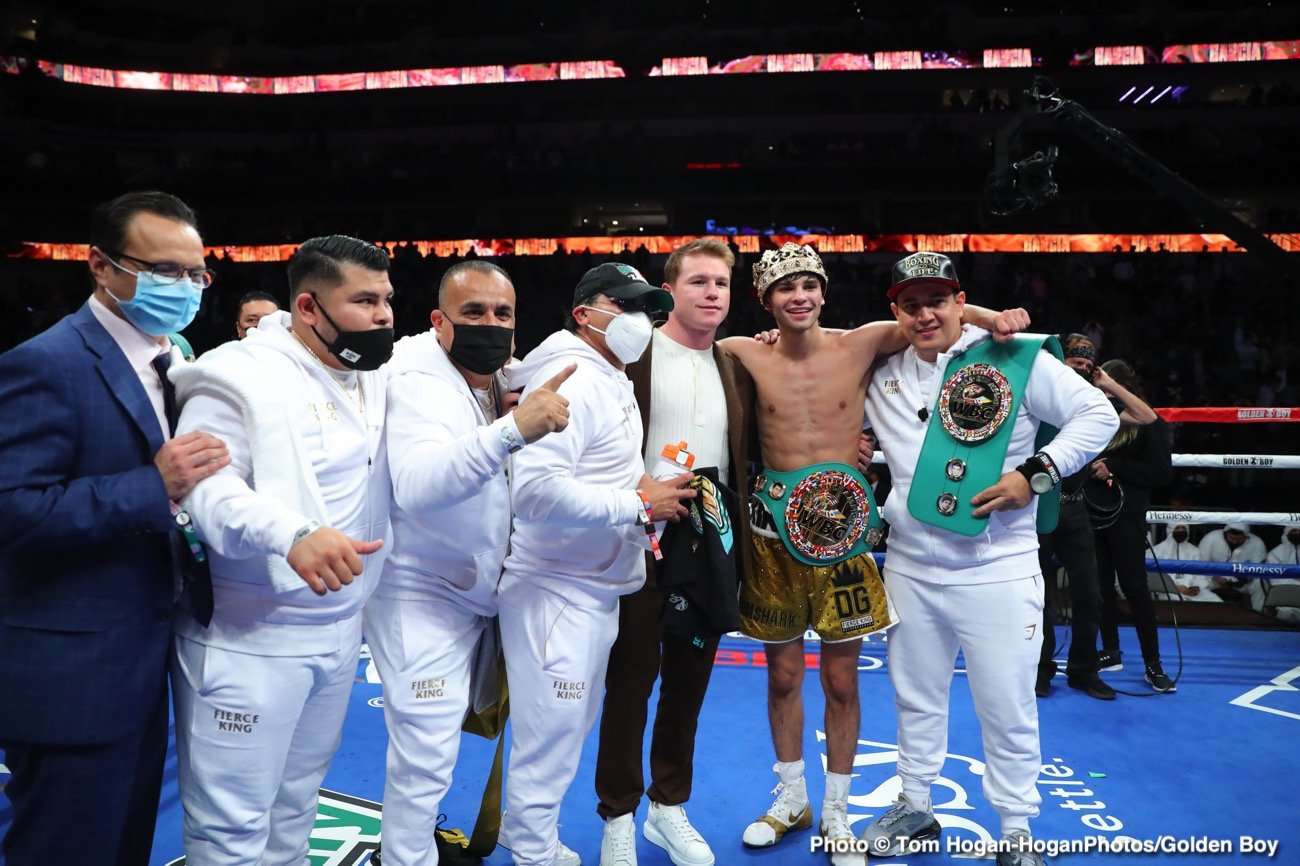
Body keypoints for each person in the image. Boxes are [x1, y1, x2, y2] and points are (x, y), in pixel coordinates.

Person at [719, 244, 1027, 865]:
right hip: (773, 532)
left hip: (843, 532)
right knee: (781, 675)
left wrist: (998, 321)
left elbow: (939, 316)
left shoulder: (860, 343)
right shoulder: (741, 351)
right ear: (766, 301)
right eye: (785, 289)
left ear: (824, 293)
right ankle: (790, 799)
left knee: (839, 679)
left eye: (809, 285)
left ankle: (836, 814)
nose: (799, 296)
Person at [859, 252, 1117, 866]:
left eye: (938, 300)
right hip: (910, 565)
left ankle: (1016, 829)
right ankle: (916, 804)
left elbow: (1098, 413)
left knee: (1006, 701)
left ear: (960, 301)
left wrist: (1038, 473)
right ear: (894, 310)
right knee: (914, 695)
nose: (926, 314)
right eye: (911, 303)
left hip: (997, 566)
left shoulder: (1015, 355)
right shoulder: (879, 371)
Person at [0, 190, 228, 864]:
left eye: (195, 274)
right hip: (72, 674)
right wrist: (151, 487)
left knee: (124, 846)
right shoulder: (46, 362)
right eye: (163, 271)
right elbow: (12, 508)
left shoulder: (176, 357)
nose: (183, 288)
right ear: (99, 265)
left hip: (145, 660)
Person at [169, 234, 395, 865]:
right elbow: (205, 491)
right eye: (365, 301)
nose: (382, 316)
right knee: (230, 829)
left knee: (297, 807)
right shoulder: (236, 375)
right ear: (308, 308)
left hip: (337, 629)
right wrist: (290, 532)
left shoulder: (369, 373)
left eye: (387, 300)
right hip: (249, 639)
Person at [365, 259, 573, 866]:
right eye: (473, 313)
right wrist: (513, 429)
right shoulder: (417, 380)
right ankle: (404, 859)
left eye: (502, 314)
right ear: (438, 321)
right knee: (425, 749)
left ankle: (412, 844)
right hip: (416, 587)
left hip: (471, 587)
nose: (490, 324)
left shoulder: (486, 372)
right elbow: (420, 484)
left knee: (438, 745)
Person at [499, 262, 696, 866]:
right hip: (555, 589)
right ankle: (531, 850)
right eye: (625, 304)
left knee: (565, 732)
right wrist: (639, 501)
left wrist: (650, 491)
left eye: (647, 308)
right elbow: (534, 493)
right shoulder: (573, 381)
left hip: (597, 585)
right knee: (550, 737)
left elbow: (606, 470)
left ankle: (528, 835)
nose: (641, 319)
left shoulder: (610, 377)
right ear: (585, 314)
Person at [594, 239, 753, 866]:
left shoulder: (738, 364)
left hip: (709, 531)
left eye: (722, 283)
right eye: (699, 282)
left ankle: (667, 806)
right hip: (637, 528)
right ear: (670, 290)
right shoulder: (629, 356)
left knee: (690, 680)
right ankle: (617, 816)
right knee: (629, 682)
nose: (712, 292)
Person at [1036, 334, 1154, 700]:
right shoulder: (1039, 399)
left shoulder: (1094, 407)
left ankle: (1083, 671)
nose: (1083, 372)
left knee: (1090, 593)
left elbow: (1145, 416)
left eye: (1088, 367)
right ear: (1061, 363)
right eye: (1076, 364)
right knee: (1037, 596)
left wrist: (1107, 383)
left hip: (1074, 506)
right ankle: (1040, 670)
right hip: (1037, 505)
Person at [1090, 359, 1176, 692]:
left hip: (1127, 516)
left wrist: (1115, 466)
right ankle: (1111, 651)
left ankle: (1153, 664)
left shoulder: (1147, 422)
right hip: (1095, 513)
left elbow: (1161, 474)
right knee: (1100, 587)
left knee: (1135, 588)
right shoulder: (1101, 419)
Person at [1148, 523, 1215, 601]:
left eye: (1183, 528)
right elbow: (1154, 575)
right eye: (1177, 528)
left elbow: (1200, 574)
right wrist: (1175, 587)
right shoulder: (1158, 551)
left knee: (1214, 600)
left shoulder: (1194, 551)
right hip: (1167, 590)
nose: (1181, 531)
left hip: (1191, 591)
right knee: (1180, 602)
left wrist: (1196, 587)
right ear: (1170, 530)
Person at [1255, 524, 1300, 623]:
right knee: (1286, 611)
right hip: (1286, 594)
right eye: (1293, 531)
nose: (1297, 534)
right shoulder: (1276, 553)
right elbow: (1275, 579)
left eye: (1299, 531)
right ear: (1287, 533)